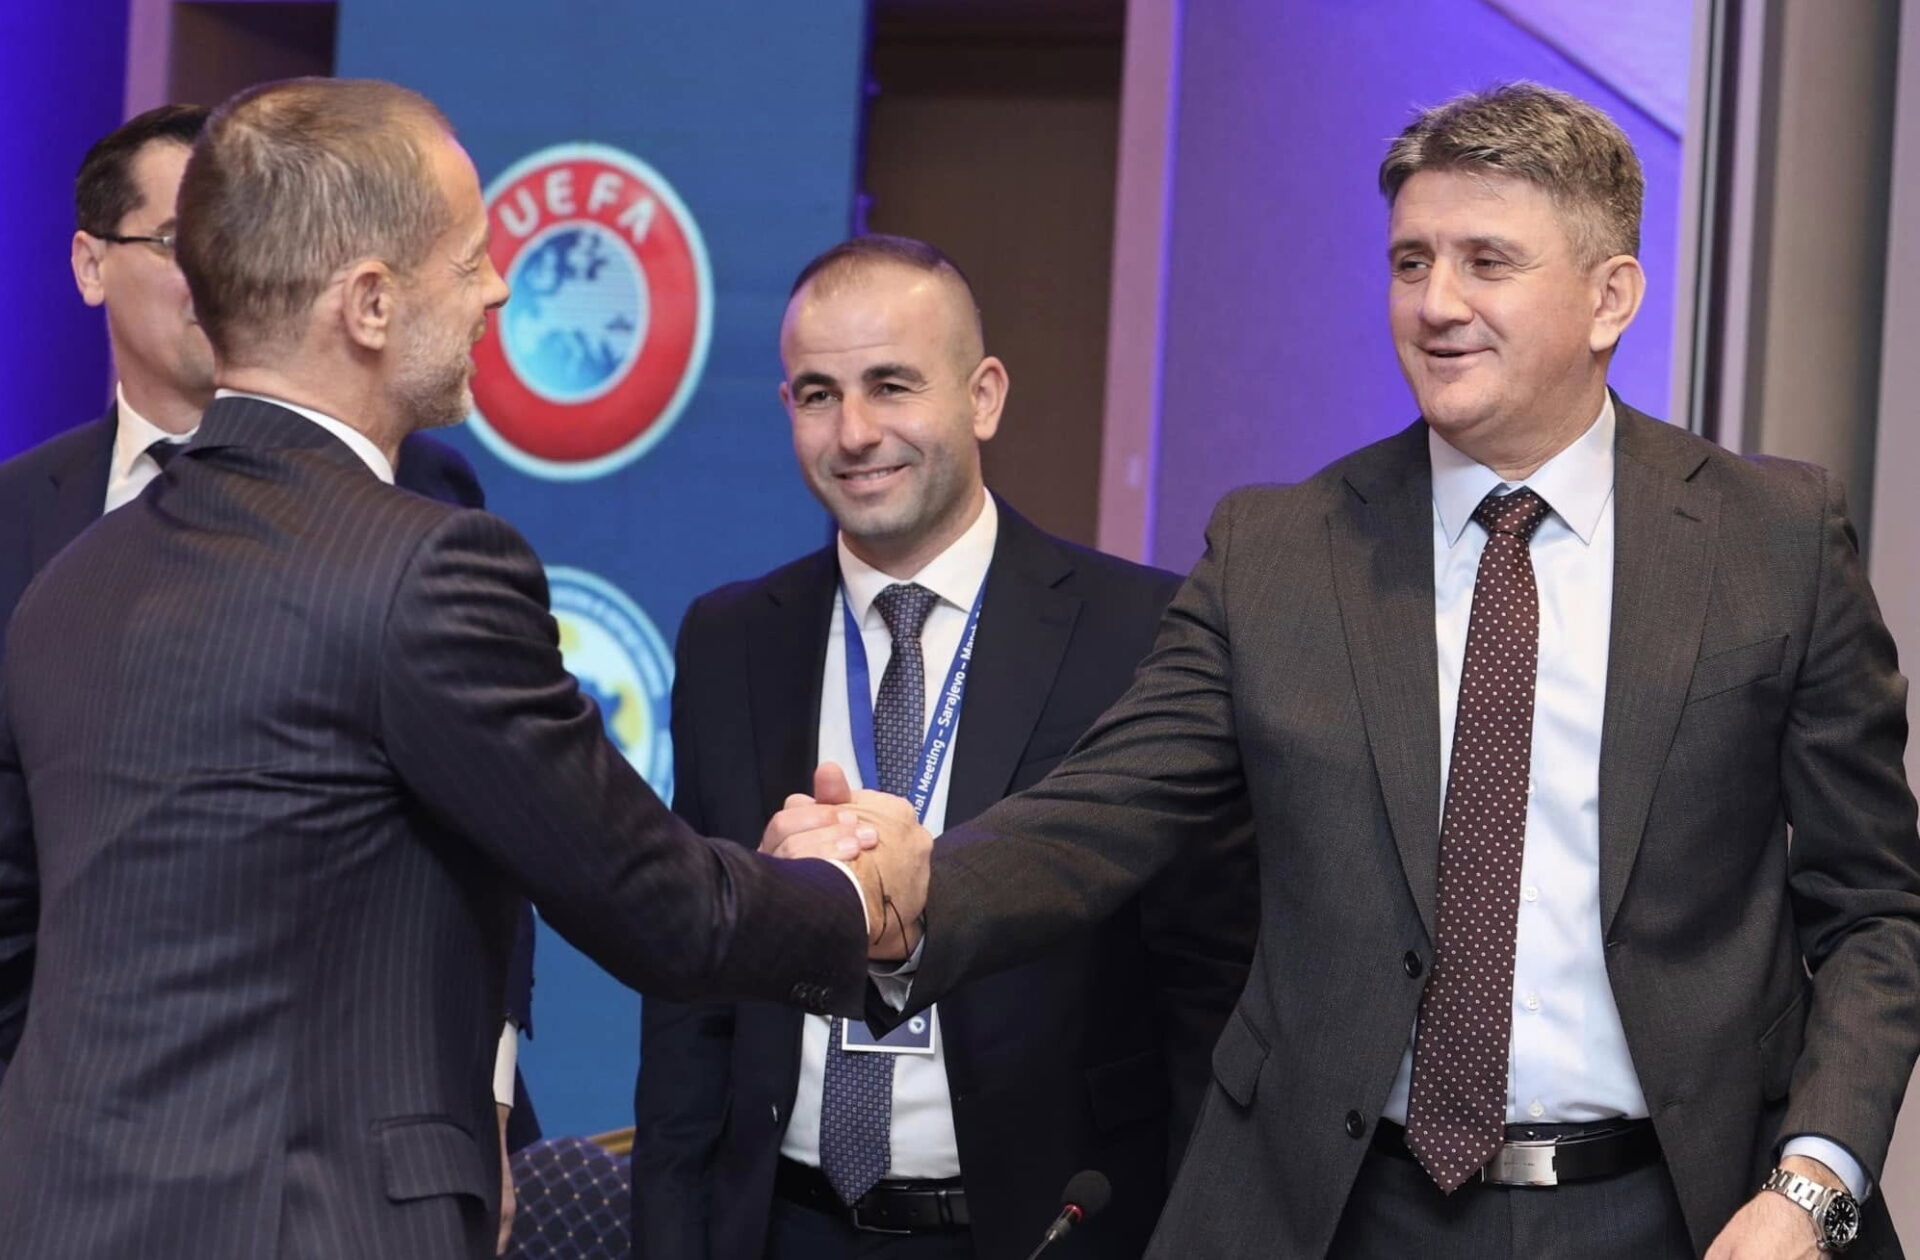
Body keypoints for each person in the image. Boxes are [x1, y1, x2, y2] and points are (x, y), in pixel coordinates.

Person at [785, 84, 1920, 1258]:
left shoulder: (1771, 538)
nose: (1436, 304)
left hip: (1690, 1209)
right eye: (1410, 262)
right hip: (1345, 1211)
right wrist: (906, 889)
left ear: (1610, 297)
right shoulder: (1278, 550)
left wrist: (1813, 1188)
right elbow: (1099, 813)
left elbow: (1877, 913)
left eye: (1487, 262)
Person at [0, 77, 921, 1260]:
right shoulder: (425, 569)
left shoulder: (68, 581)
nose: (497, 289)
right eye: (470, 257)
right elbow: (653, 901)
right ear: (371, 304)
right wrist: (857, 895)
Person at [631, 236, 1256, 1259]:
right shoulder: (729, 638)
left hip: (1039, 1228)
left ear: (984, 397)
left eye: (891, 385)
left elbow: (1207, 989)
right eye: (818, 395)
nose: (855, 432)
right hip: (780, 1226)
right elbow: (692, 991)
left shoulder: (1142, 632)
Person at [0, 102, 542, 1248]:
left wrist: (484, 1093)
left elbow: (497, 819)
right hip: (77, 1160)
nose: (216, 267)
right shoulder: (20, 528)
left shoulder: (425, 499)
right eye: (180, 239)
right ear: (91, 266)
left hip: (344, 1155)